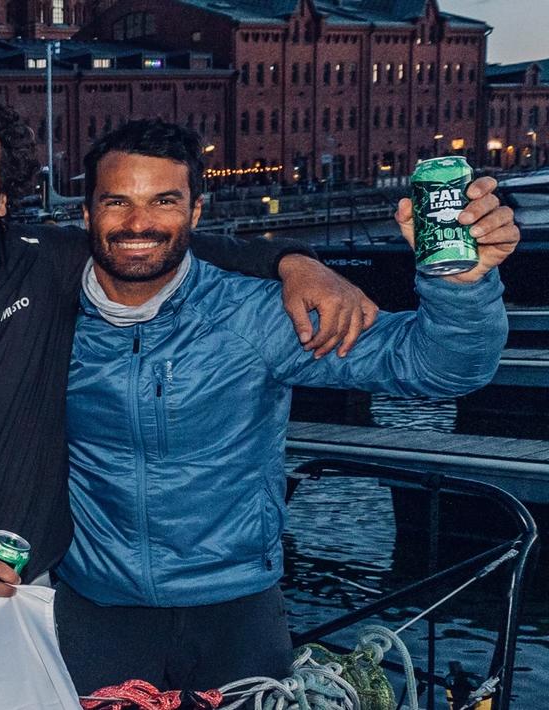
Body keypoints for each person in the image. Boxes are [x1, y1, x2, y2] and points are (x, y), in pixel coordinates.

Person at [0, 94, 378, 612]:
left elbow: (154, 242)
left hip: (24, 591)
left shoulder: (45, 265)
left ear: (3, 200)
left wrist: (295, 262)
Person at [56, 120, 515, 692]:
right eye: (116, 201)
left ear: (196, 213)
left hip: (236, 606)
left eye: (164, 201)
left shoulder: (257, 316)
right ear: (86, 214)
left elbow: (437, 367)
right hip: (95, 605)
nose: (138, 222)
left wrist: (462, 284)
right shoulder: (44, 317)